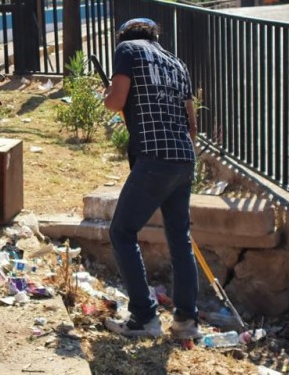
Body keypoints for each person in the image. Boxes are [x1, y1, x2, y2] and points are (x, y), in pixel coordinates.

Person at [102, 17, 200, 339]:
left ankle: (144, 317)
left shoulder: (127, 50)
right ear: (155, 36)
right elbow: (191, 123)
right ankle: (187, 322)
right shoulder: (177, 63)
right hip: (184, 158)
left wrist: (108, 95)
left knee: (122, 231)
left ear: (125, 35)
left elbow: (116, 101)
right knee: (179, 237)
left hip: (155, 157)